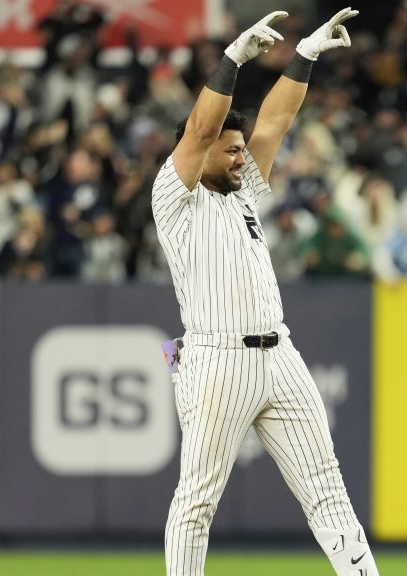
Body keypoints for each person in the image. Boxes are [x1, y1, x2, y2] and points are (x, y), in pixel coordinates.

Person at [152, 9, 378, 576]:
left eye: (238, 150)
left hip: (280, 355)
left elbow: (273, 123)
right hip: (216, 360)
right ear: (195, 151)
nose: (239, 155)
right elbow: (202, 129)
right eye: (228, 149)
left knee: (328, 490)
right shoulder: (174, 196)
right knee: (197, 502)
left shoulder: (241, 191)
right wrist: (230, 60)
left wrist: (304, 56)